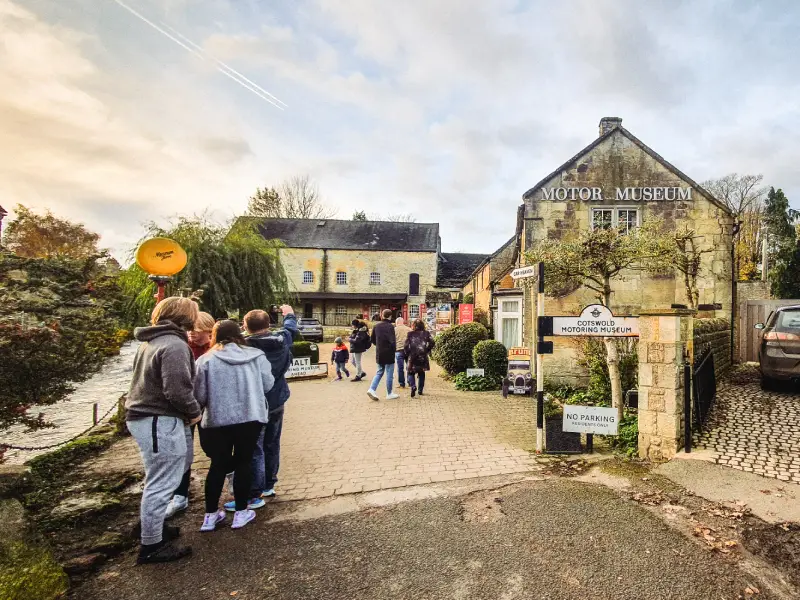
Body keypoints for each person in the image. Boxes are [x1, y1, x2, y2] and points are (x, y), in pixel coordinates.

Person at [126, 296, 201, 564]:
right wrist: (194, 411)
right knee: (161, 480)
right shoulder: (174, 346)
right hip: (158, 419)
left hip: (147, 417)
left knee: (160, 475)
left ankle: (152, 527)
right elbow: (177, 390)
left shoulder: (151, 342)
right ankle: (151, 545)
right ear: (185, 317)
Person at [194, 320, 274, 532]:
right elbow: (268, 384)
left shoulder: (205, 360)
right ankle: (241, 512)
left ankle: (210, 516)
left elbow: (199, 395)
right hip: (250, 417)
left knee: (217, 465)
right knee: (244, 462)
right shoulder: (256, 357)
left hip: (218, 420)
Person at [236, 305, 298, 506]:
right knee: (272, 442)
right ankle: (269, 483)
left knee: (255, 446)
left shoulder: (243, 346)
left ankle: (255, 490)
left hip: (254, 402)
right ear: (268, 324)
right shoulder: (281, 341)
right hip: (277, 399)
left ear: (245, 325)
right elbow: (290, 329)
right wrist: (288, 313)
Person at [164, 311, 216, 520]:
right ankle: (179, 495)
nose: (192, 335)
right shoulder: (181, 349)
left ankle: (227, 481)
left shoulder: (214, 351)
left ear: (208, 331)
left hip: (207, 408)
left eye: (197, 331)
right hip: (185, 409)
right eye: (190, 331)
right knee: (183, 454)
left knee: (211, 448)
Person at [367, 309, 399, 401]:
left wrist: (379, 345)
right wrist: (394, 350)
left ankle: (372, 389)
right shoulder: (390, 326)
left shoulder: (376, 326)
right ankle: (389, 393)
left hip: (380, 352)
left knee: (379, 372)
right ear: (389, 316)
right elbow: (392, 341)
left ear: (382, 315)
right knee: (389, 373)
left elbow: (372, 339)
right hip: (389, 352)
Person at [405, 319, 435, 398]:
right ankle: (420, 390)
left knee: (410, 372)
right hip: (423, 355)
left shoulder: (410, 334)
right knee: (421, 373)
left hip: (412, 356)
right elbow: (432, 342)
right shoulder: (426, 333)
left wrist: (408, 353)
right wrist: (427, 350)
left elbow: (406, 345)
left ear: (414, 325)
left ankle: (413, 386)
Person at [393, 317, 412, 389]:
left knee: (400, 368)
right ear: (403, 322)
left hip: (399, 350)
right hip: (408, 350)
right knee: (409, 367)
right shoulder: (409, 329)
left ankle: (402, 384)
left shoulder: (394, 330)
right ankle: (410, 382)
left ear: (396, 323)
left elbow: (392, 340)